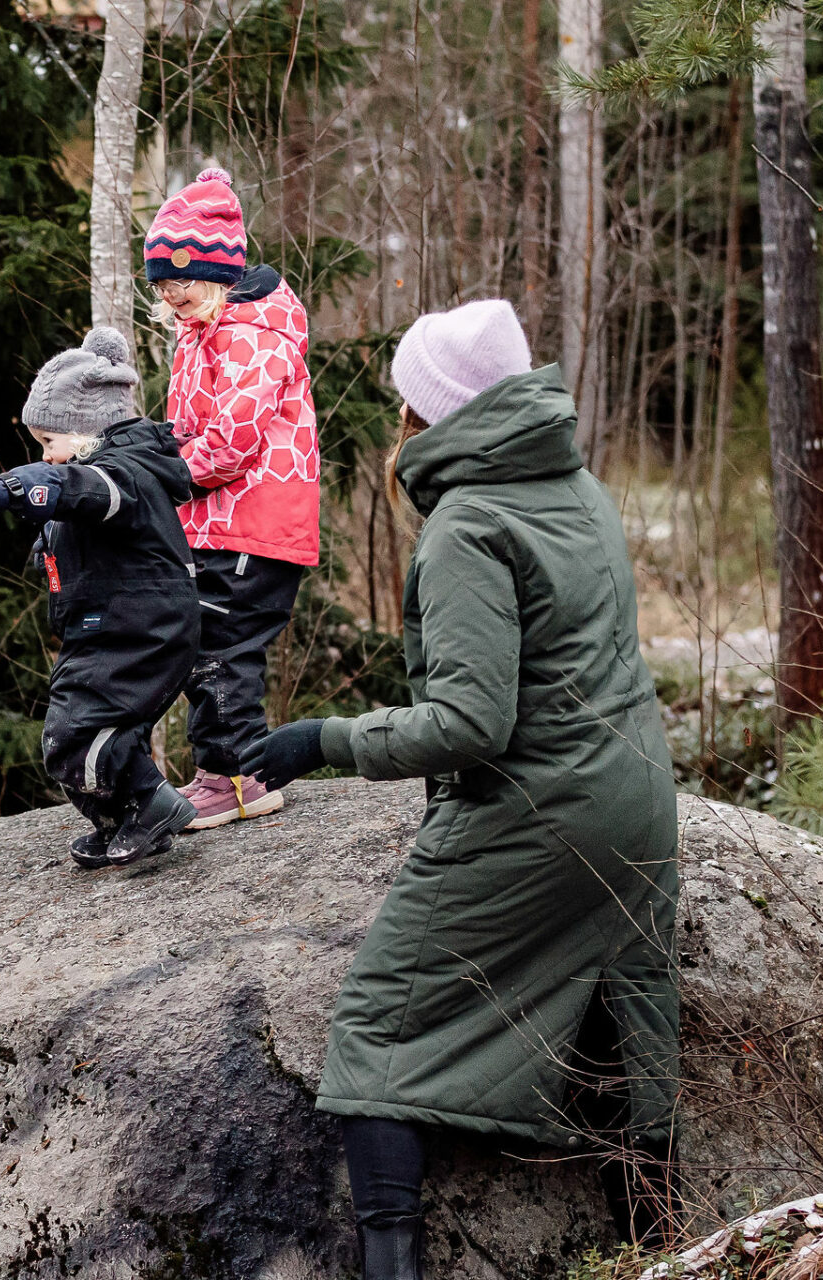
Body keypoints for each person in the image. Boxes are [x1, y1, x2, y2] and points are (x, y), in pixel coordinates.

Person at [240, 300, 681, 1279]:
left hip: (546, 809)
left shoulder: (467, 526)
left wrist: (322, 738)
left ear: (429, 415)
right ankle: (668, 1255)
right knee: (623, 1014)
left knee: (380, 1022)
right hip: (641, 797)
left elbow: (473, 725)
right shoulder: (582, 488)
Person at [0, 327, 199, 867]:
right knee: (65, 734)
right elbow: (71, 515)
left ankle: (153, 804)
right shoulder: (90, 477)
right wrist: (16, 504)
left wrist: (12, 485)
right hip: (102, 625)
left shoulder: (123, 474)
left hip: (142, 627)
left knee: (86, 728)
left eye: (48, 444)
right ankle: (119, 819)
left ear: (86, 434)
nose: (46, 456)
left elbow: (84, 491)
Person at [142, 167, 320, 830]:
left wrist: (165, 473)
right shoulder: (204, 332)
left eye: (182, 283)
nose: (171, 296)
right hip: (219, 523)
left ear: (219, 273)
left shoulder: (253, 335)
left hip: (256, 523)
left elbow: (231, 441)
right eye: (162, 286)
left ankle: (240, 774)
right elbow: (193, 429)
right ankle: (223, 770)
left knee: (222, 643)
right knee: (204, 640)